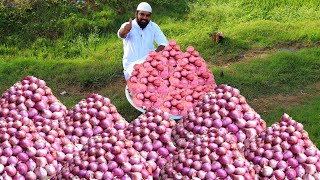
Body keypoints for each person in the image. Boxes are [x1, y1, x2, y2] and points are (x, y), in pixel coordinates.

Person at [117, 2, 168, 80]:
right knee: (137, 86)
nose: (144, 17)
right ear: (136, 13)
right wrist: (125, 31)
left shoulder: (153, 26)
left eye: (147, 15)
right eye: (142, 14)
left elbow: (164, 43)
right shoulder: (128, 25)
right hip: (131, 66)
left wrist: (153, 56)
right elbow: (121, 35)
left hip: (150, 64)